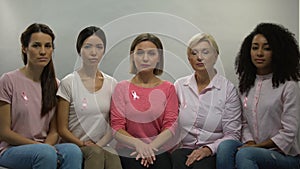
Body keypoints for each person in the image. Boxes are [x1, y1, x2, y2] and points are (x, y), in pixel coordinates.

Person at [216, 23, 300, 169]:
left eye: (267, 48)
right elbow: (244, 122)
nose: (259, 53)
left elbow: (289, 133)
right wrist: (249, 142)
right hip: (253, 147)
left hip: (285, 155)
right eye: (255, 48)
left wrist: (257, 147)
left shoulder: (289, 85)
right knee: (225, 147)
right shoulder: (246, 83)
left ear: (278, 52)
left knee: (245, 155)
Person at [0, 23, 82, 169]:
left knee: (73, 151)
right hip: (11, 149)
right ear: (24, 48)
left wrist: (47, 147)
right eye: (36, 46)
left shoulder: (56, 84)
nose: (43, 51)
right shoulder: (8, 80)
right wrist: (42, 148)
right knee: (45, 153)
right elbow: (4, 132)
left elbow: (54, 131)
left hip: (45, 147)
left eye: (48, 46)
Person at [171, 33, 242, 169]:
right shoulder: (179, 86)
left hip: (213, 151)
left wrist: (208, 149)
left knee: (201, 166)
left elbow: (232, 135)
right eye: (194, 53)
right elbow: (171, 123)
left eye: (205, 52)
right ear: (189, 58)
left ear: (215, 56)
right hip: (185, 149)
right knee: (176, 159)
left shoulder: (228, 89)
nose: (199, 57)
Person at [56, 26, 122, 169]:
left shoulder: (112, 84)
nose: (93, 53)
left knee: (113, 156)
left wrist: (98, 145)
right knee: (95, 154)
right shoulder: (68, 82)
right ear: (79, 50)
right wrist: (83, 144)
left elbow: (114, 125)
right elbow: (62, 128)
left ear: (104, 50)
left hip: (101, 145)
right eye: (88, 47)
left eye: (99, 47)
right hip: (75, 146)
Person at [110, 33, 179, 169]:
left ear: (159, 57)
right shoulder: (121, 88)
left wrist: (150, 148)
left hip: (158, 149)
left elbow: (171, 126)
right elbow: (117, 128)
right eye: (140, 53)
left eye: (152, 53)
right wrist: (139, 145)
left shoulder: (169, 88)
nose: (145, 58)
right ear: (132, 56)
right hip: (129, 149)